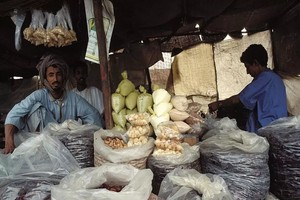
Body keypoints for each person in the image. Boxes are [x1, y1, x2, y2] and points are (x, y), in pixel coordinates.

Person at [3, 54, 103, 154]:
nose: (55, 79)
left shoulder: (73, 98)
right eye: (51, 75)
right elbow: (14, 115)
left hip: (66, 149)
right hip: (40, 149)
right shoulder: (38, 96)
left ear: (63, 77)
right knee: (38, 109)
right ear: (45, 78)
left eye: (58, 74)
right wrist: (9, 142)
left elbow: (94, 117)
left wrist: (84, 137)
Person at [208, 44, 288, 133]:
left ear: (256, 63)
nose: (247, 72)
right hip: (277, 128)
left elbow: (238, 99)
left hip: (268, 129)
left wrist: (219, 104)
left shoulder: (265, 78)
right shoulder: (274, 78)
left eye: (247, 67)